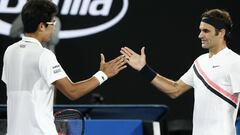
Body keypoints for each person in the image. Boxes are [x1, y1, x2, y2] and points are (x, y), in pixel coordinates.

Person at [1, 0, 126, 135]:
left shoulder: (10, 51)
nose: (54, 27)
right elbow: (72, 92)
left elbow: (23, 94)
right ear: (42, 26)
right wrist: (103, 74)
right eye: (52, 23)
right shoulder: (44, 55)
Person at [120, 9, 240, 135]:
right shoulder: (200, 61)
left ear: (221, 33)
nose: (200, 35)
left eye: (206, 31)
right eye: (200, 30)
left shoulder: (235, 62)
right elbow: (174, 90)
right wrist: (144, 69)